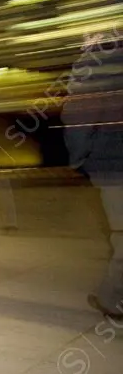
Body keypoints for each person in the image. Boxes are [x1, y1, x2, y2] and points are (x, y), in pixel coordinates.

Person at [62, 30, 123, 318]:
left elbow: (78, 116)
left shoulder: (95, 64)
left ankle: (112, 300)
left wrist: (79, 159)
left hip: (114, 163)